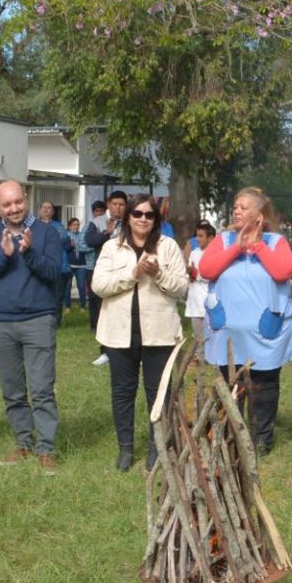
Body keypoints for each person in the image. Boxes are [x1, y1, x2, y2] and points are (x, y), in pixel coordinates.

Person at [0, 179, 67, 473]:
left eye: (17, 202)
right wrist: (4, 256)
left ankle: (46, 448)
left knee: (41, 388)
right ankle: (23, 442)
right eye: (6, 204)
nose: (13, 209)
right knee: (12, 389)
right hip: (1, 320)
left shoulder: (46, 232)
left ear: (25, 199)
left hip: (38, 318)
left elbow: (54, 272)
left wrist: (29, 253)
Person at [197, 187, 292, 454]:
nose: (237, 211)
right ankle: (230, 433)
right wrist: (237, 249)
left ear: (259, 215)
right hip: (228, 333)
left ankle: (261, 438)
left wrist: (257, 246)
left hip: (266, 332)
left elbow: (283, 271)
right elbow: (206, 269)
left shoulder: (276, 242)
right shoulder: (223, 240)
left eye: (243, 207)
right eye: (235, 206)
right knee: (230, 384)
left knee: (263, 385)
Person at [93, 194, 189, 471]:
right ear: (128, 217)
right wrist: (133, 275)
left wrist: (158, 274)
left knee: (158, 394)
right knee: (122, 392)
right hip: (119, 332)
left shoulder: (167, 247)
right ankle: (125, 448)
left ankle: (157, 448)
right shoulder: (112, 247)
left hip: (159, 332)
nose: (143, 219)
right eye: (137, 214)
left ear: (156, 219)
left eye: (149, 215)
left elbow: (182, 288)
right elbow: (99, 285)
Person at [86, 191, 128, 365]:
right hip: (105, 272)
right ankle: (105, 351)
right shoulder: (97, 222)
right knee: (104, 312)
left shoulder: (132, 222)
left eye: (121, 204)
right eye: (115, 204)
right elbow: (89, 240)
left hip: (125, 272)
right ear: (109, 204)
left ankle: (127, 351)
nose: (118, 208)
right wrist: (106, 233)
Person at [186, 220, 215, 338]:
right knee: (198, 341)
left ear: (210, 238)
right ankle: (199, 356)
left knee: (211, 340)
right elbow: (190, 276)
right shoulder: (194, 253)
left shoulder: (215, 254)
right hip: (195, 302)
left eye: (201, 236)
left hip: (210, 304)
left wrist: (194, 273)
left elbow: (212, 275)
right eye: (196, 236)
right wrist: (189, 273)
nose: (197, 239)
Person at [64, 216, 89, 315]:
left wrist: (81, 246)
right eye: (74, 225)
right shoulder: (66, 236)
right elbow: (64, 249)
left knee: (82, 286)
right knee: (67, 287)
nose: (76, 226)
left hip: (81, 265)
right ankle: (67, 307)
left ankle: (83, 306)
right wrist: (71, 245)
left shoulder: (82, 235)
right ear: (69, 226)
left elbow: (87, 247)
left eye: (78, 224)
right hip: (69, 265)